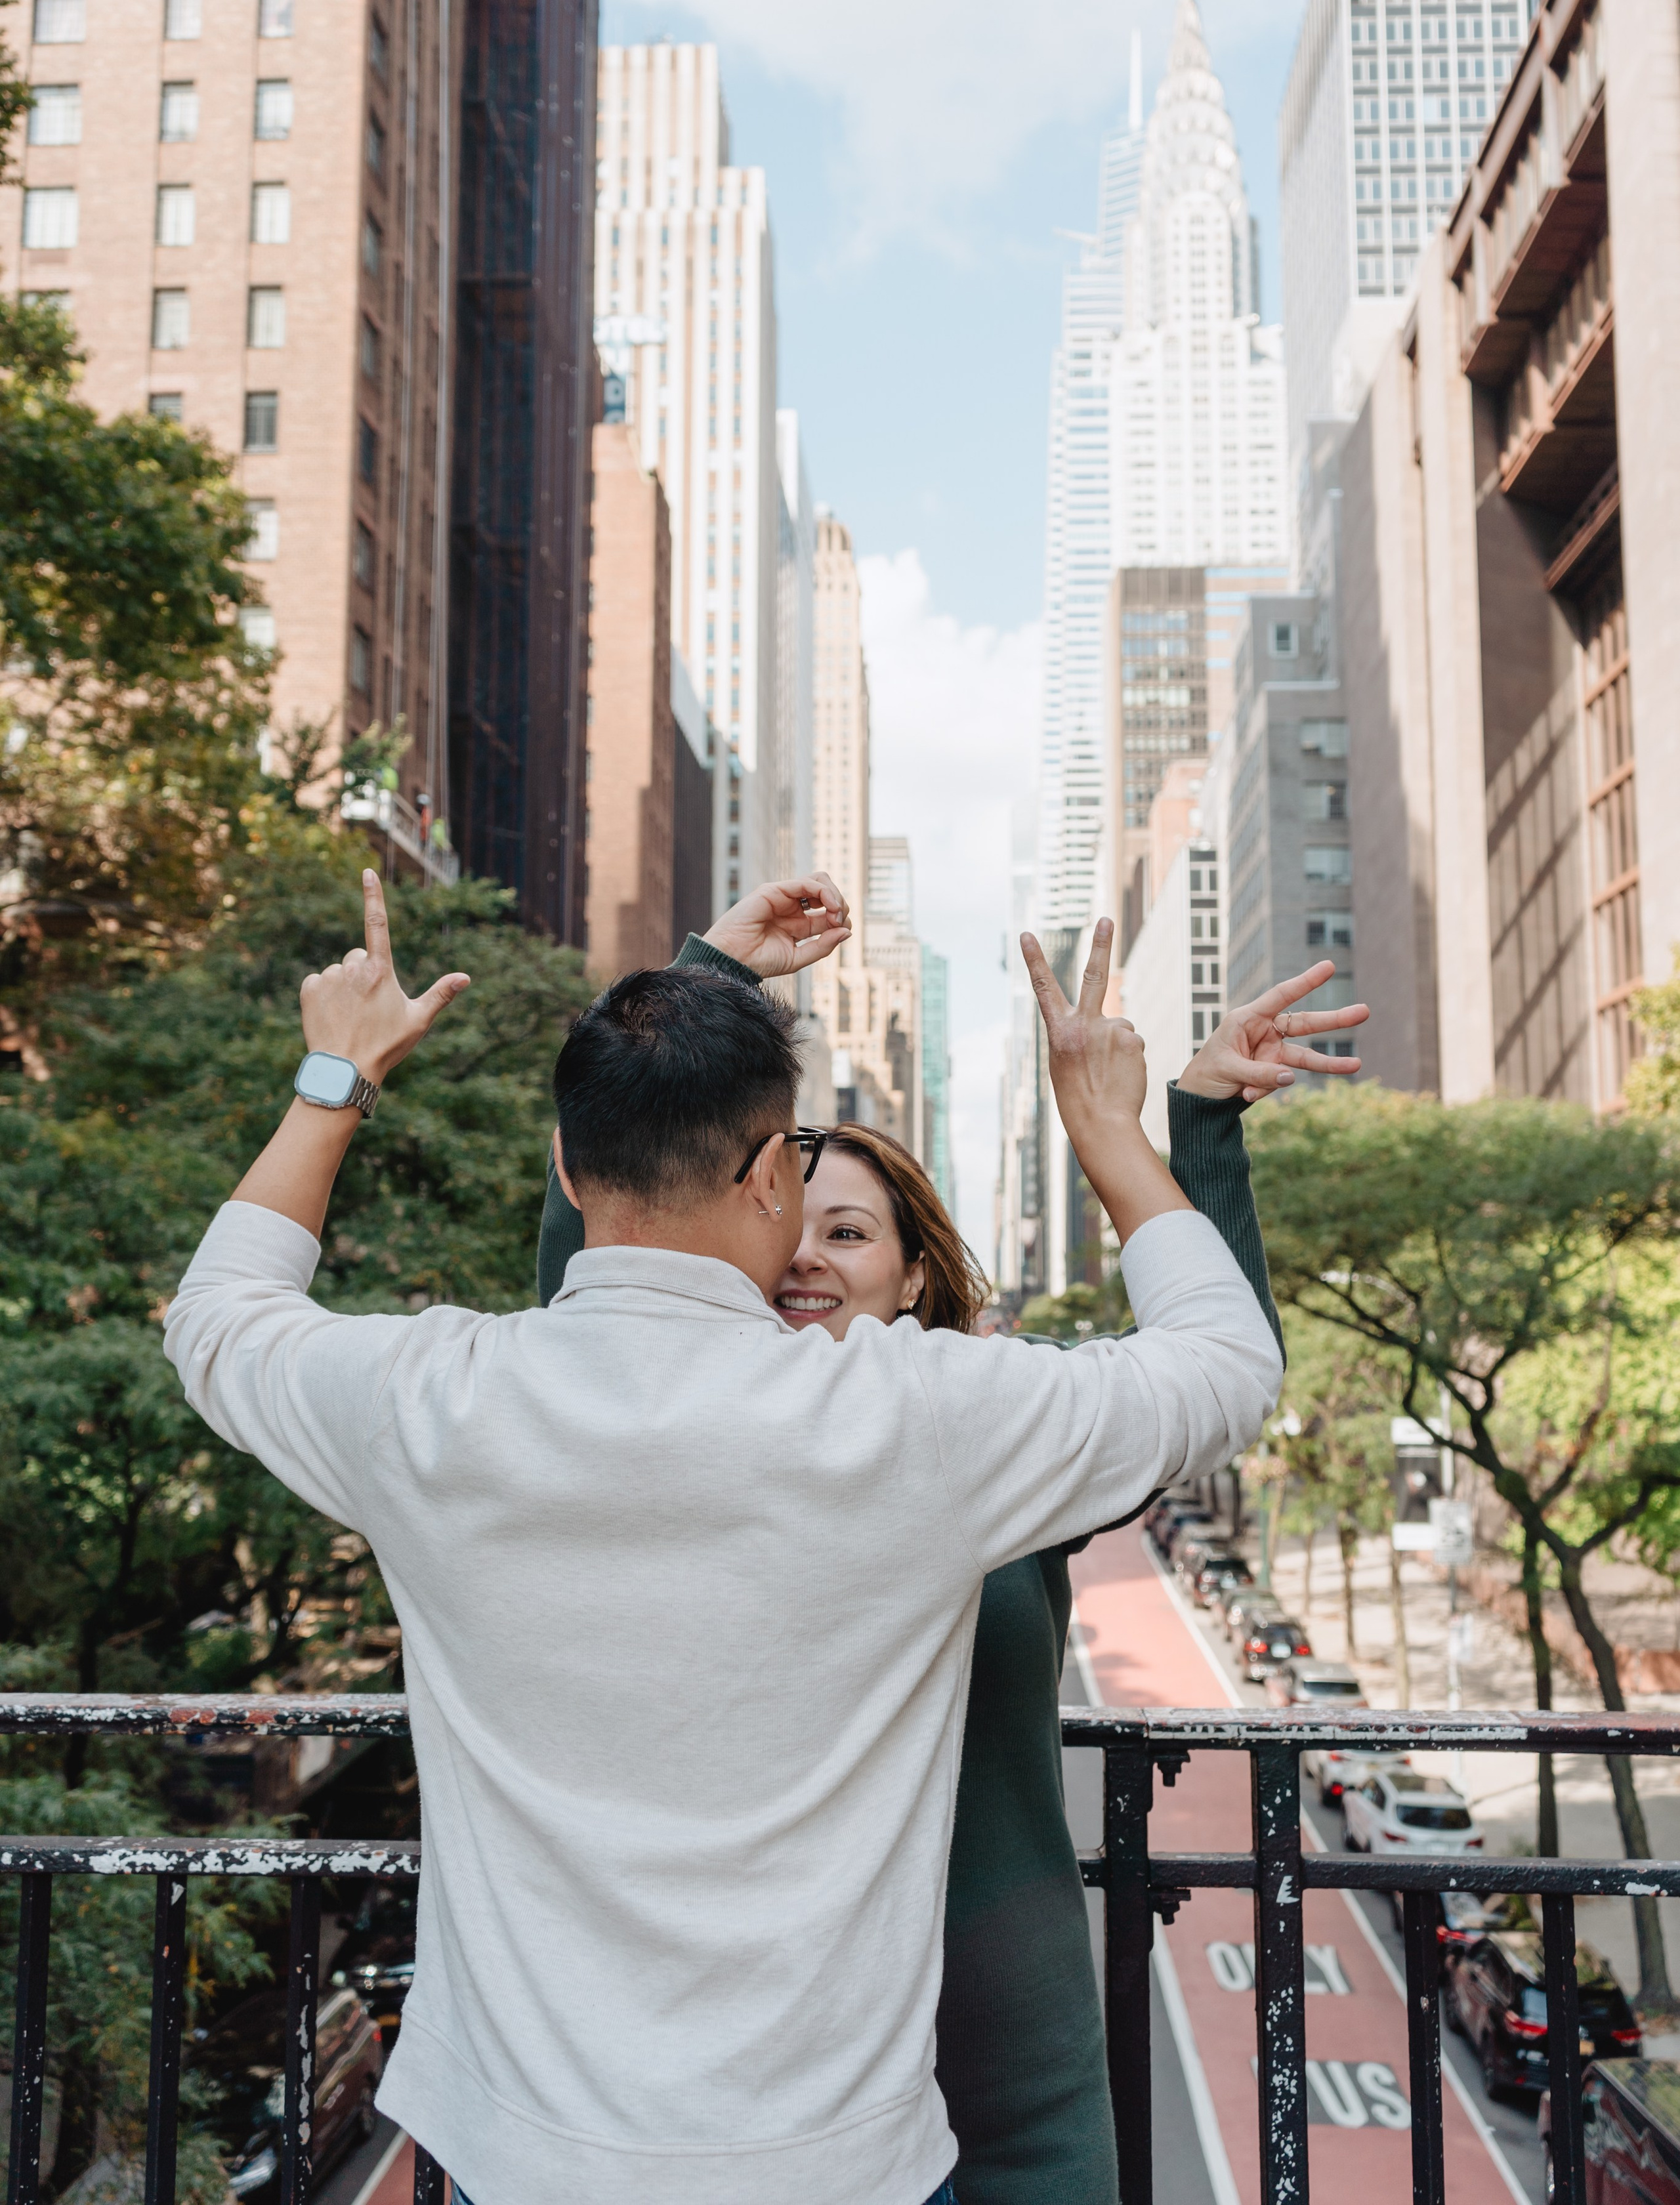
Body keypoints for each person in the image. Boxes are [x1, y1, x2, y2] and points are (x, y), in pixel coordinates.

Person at [165, 870, 1283, 2205]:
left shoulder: (433, 1400)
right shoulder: (917, 1420)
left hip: (518, 2157)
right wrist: (1108, 1125)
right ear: (770, 1174)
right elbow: (1221, 1364)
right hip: (832, 2168)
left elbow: (220, 1319)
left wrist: (330, 1078)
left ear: (571, 1174)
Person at [536, 916, 1366, 2205]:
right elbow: (594, 1247)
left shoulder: (990, 1442)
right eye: (783, 1216)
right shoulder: (662, 1430)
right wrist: (704, 985)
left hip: (1002, 2064)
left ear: (919, 1276)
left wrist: (1193, 1122)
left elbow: (1211, 1371)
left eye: (850, 1232)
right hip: (753, 2072)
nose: (804, 1251)